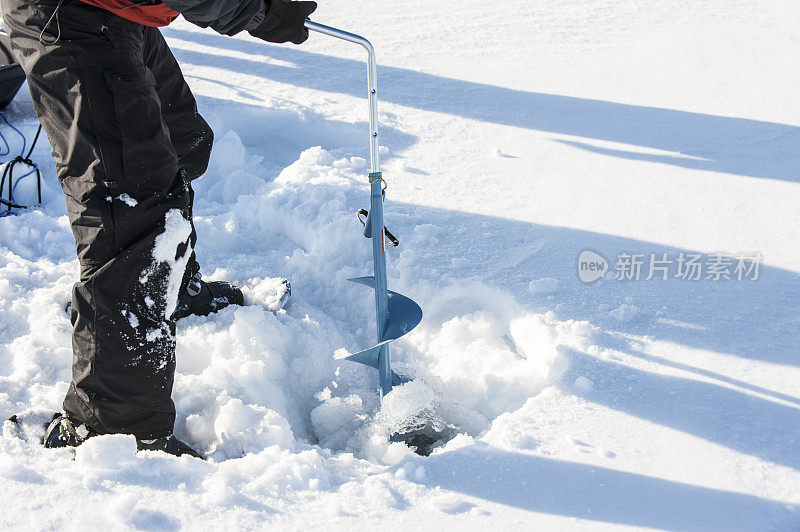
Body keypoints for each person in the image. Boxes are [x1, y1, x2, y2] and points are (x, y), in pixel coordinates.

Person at [1, 0, 316, 458]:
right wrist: (255, 9)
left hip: (122, 11)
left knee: (181, 139)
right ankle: (114, 427)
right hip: (70, 14)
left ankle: (167, 288)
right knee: (130, 202)